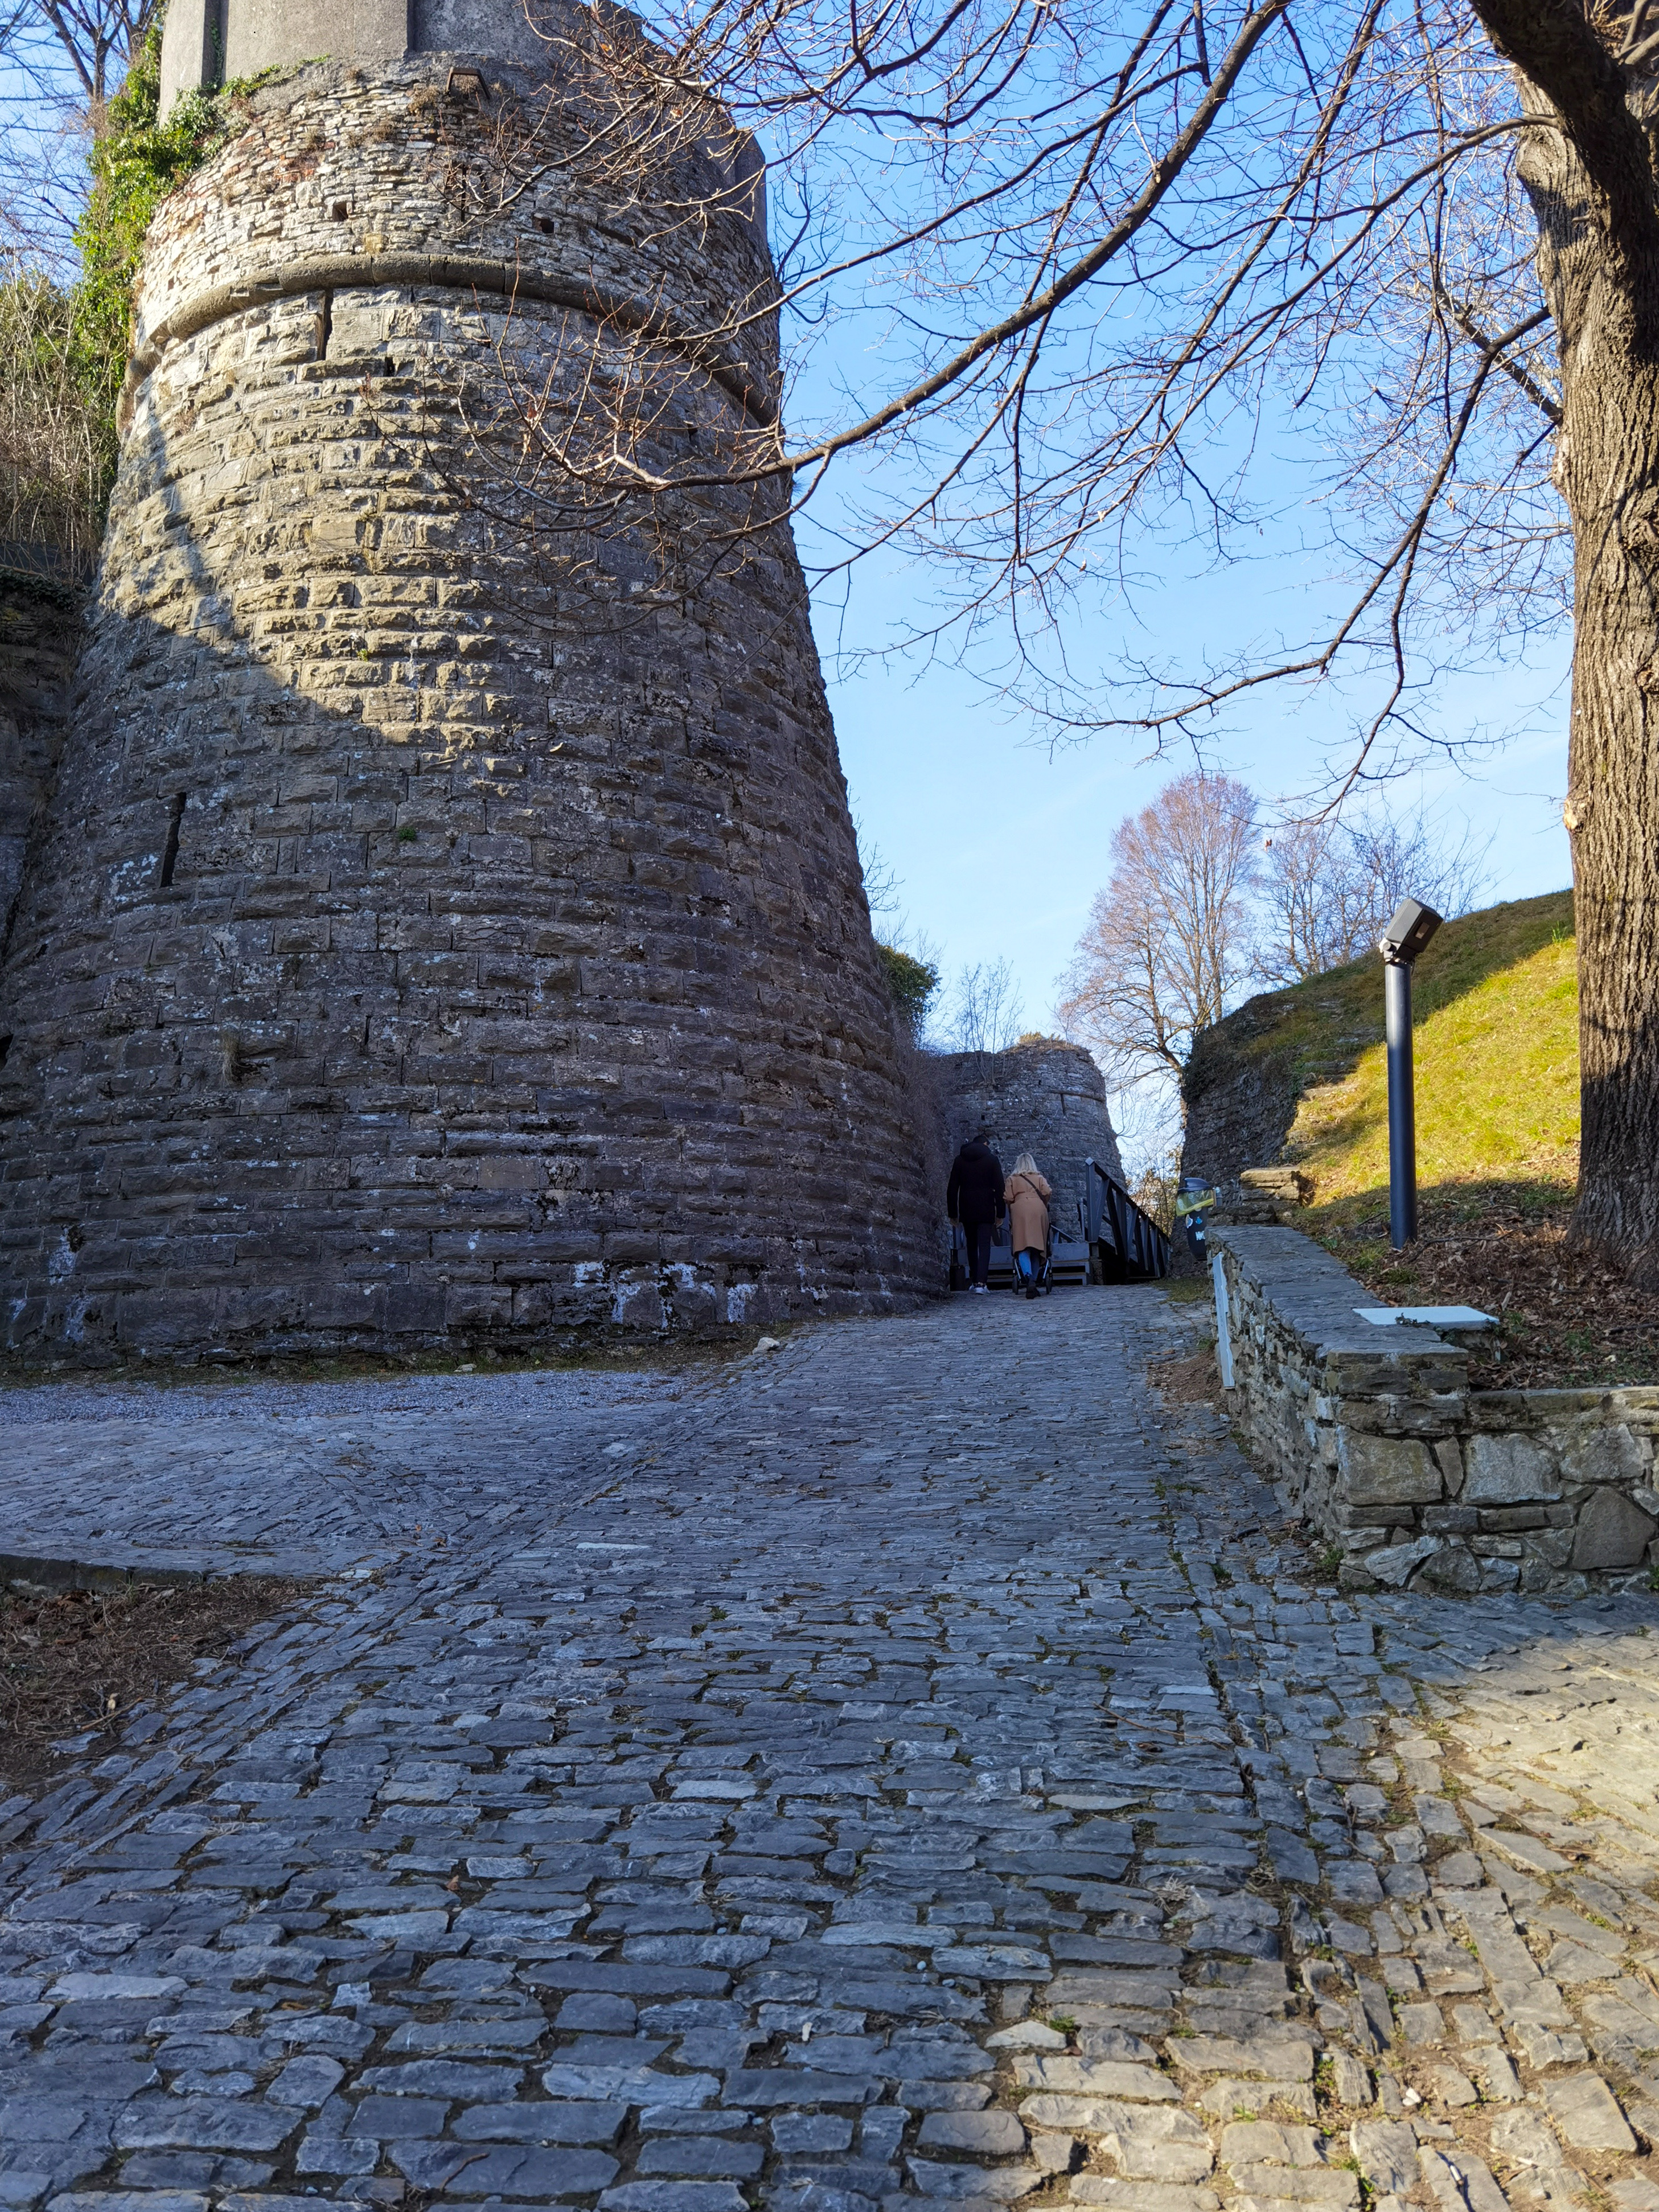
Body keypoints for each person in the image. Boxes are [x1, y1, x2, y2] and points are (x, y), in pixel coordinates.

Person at [947, 1129, 1005, 1294]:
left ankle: (974, 1282)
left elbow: (952, 1188)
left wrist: (953, 1213)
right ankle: (981, 1283)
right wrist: (1001, 1213)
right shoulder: (992, 1160)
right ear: (985, 1144)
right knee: (985, 1245)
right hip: (986, 1206)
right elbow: (1000, 1188)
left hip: (966, 1206)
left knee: (971, 1245)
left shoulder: (960, 1160)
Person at [1004, 1151, 1053, 1299]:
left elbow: (1007, 1197)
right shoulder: (1039, 1178)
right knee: (1037, 1247)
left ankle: (1028, 1278)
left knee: (1022, 1246)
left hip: (1020, 1210)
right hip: (1039, 1209)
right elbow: (1048, 1192)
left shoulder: (1012, 1179)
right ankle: (1036, 1279)